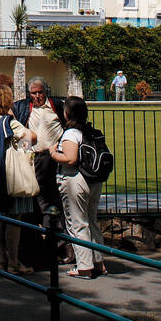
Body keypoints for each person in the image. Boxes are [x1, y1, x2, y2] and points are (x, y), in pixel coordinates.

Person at [14, 77, 73, 264]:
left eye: (40, 92)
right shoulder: (23, 107)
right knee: (37, 200)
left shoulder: (56, 105)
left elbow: (69, 124)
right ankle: (42, 244)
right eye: (34, 93)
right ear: (29, 93)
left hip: (52, 158)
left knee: (53, 200)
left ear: (46, 91)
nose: (37, 96)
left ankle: (58, 244)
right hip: (32, 158)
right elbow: (7, 112)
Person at [0, 82, 37, 275]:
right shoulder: (8, 122)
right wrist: (14, 118)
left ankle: (3, 259)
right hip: (12, 175)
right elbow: (32, 137)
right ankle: (13, 261)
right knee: (14, 218)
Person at [50, 96, 106, 279]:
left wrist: (53, 153)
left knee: (77, 223)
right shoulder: (90, 131)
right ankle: (98, 262)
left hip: (76, 180)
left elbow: (70, 158)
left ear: (68, 113)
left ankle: (84, 267)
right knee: (91, 221)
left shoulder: (71, 133)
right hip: (94, 180)